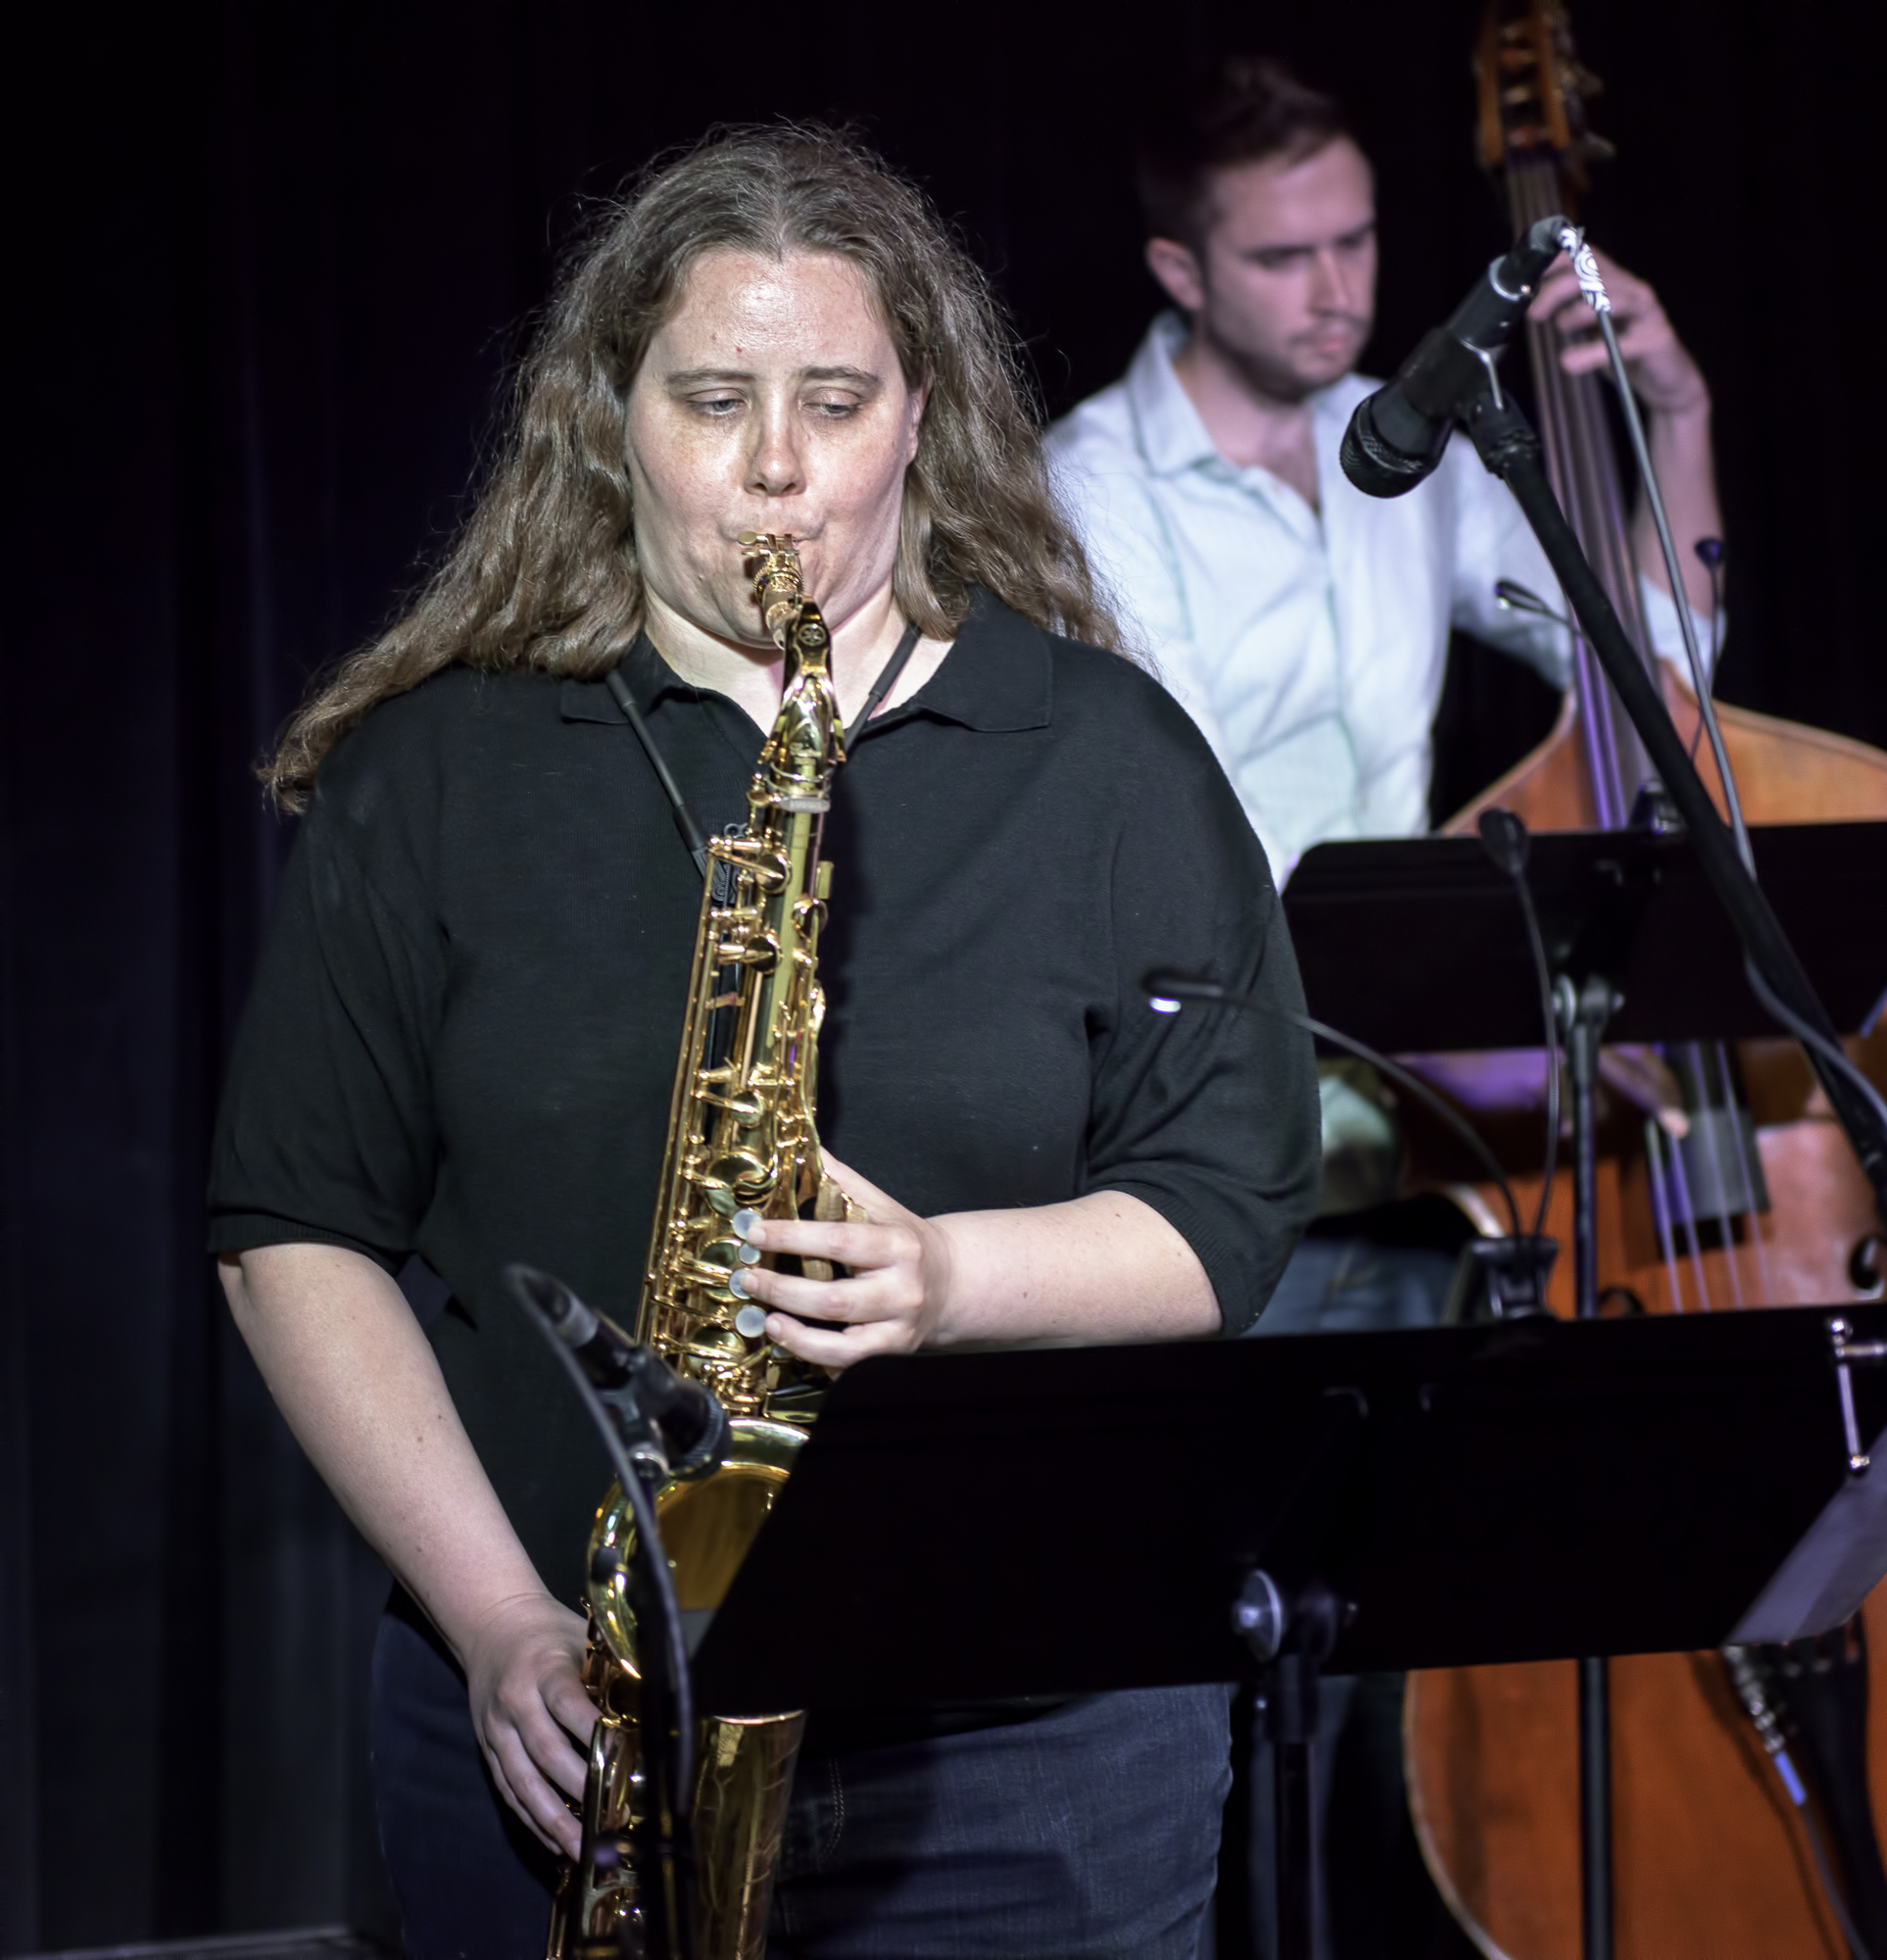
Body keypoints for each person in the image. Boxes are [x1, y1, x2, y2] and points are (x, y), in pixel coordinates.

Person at [209, 124, 1319, 1960]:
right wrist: (497, 1624)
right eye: (714, 399)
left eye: (836, 399)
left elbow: (1232, 1199)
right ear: (609, 420)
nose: (780, 474)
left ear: (922, 420)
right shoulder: (445, 769)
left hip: (1026, 1760)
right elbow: (290, 1226)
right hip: (572, 1736)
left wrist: (944, 1280)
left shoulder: (1105, 758)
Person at [1043, 57, 1725, 1959]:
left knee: (1395, 1692)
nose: (1338, 289)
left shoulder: (1409, 443)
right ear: (1180, 267)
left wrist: (1668, 415)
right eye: (1284, 257)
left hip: (1423, 1161)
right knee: (1215, 1682)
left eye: (1354, 240)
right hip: (1222, 1159)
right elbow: (1141, 858)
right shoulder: (1088, 493)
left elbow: (1657, 672)